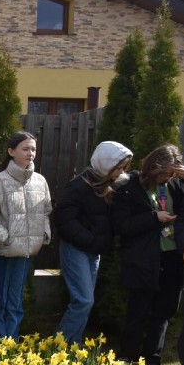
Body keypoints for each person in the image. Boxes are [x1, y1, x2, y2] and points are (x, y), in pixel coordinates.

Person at [112, 144, 184, 365]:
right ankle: (128, 356)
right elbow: (121, 225)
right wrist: (155, 218)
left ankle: (153, 359)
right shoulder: (129, 187)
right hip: (143, 258)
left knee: (164, 311)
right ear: (154, 168)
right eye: (165, 174)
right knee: (138, 309)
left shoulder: (177, 185)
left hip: (172, 257)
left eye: (173, 174)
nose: (168, 178)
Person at [0, 131, 52, 340]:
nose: (31, 153)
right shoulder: (0, 182)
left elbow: (45, 211)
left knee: (16, 304)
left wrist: (42, 233)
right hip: (2, 253)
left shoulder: (40, 181)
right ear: (11, 151)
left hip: (25, 255)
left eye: (33, 149)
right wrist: (5, 238)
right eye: (25, 149)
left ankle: (11, 347)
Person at [54, 141, 132, 344]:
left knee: (85, 301)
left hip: (92, 251)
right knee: (84, 300)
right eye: (118, 167)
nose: (121, 172)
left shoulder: (109, 186)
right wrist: (91, 240)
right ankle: (58, 345)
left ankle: (73, 344)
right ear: (106, 164)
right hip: (76, 249)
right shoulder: (79, 185)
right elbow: (63, 221)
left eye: (124, 167)